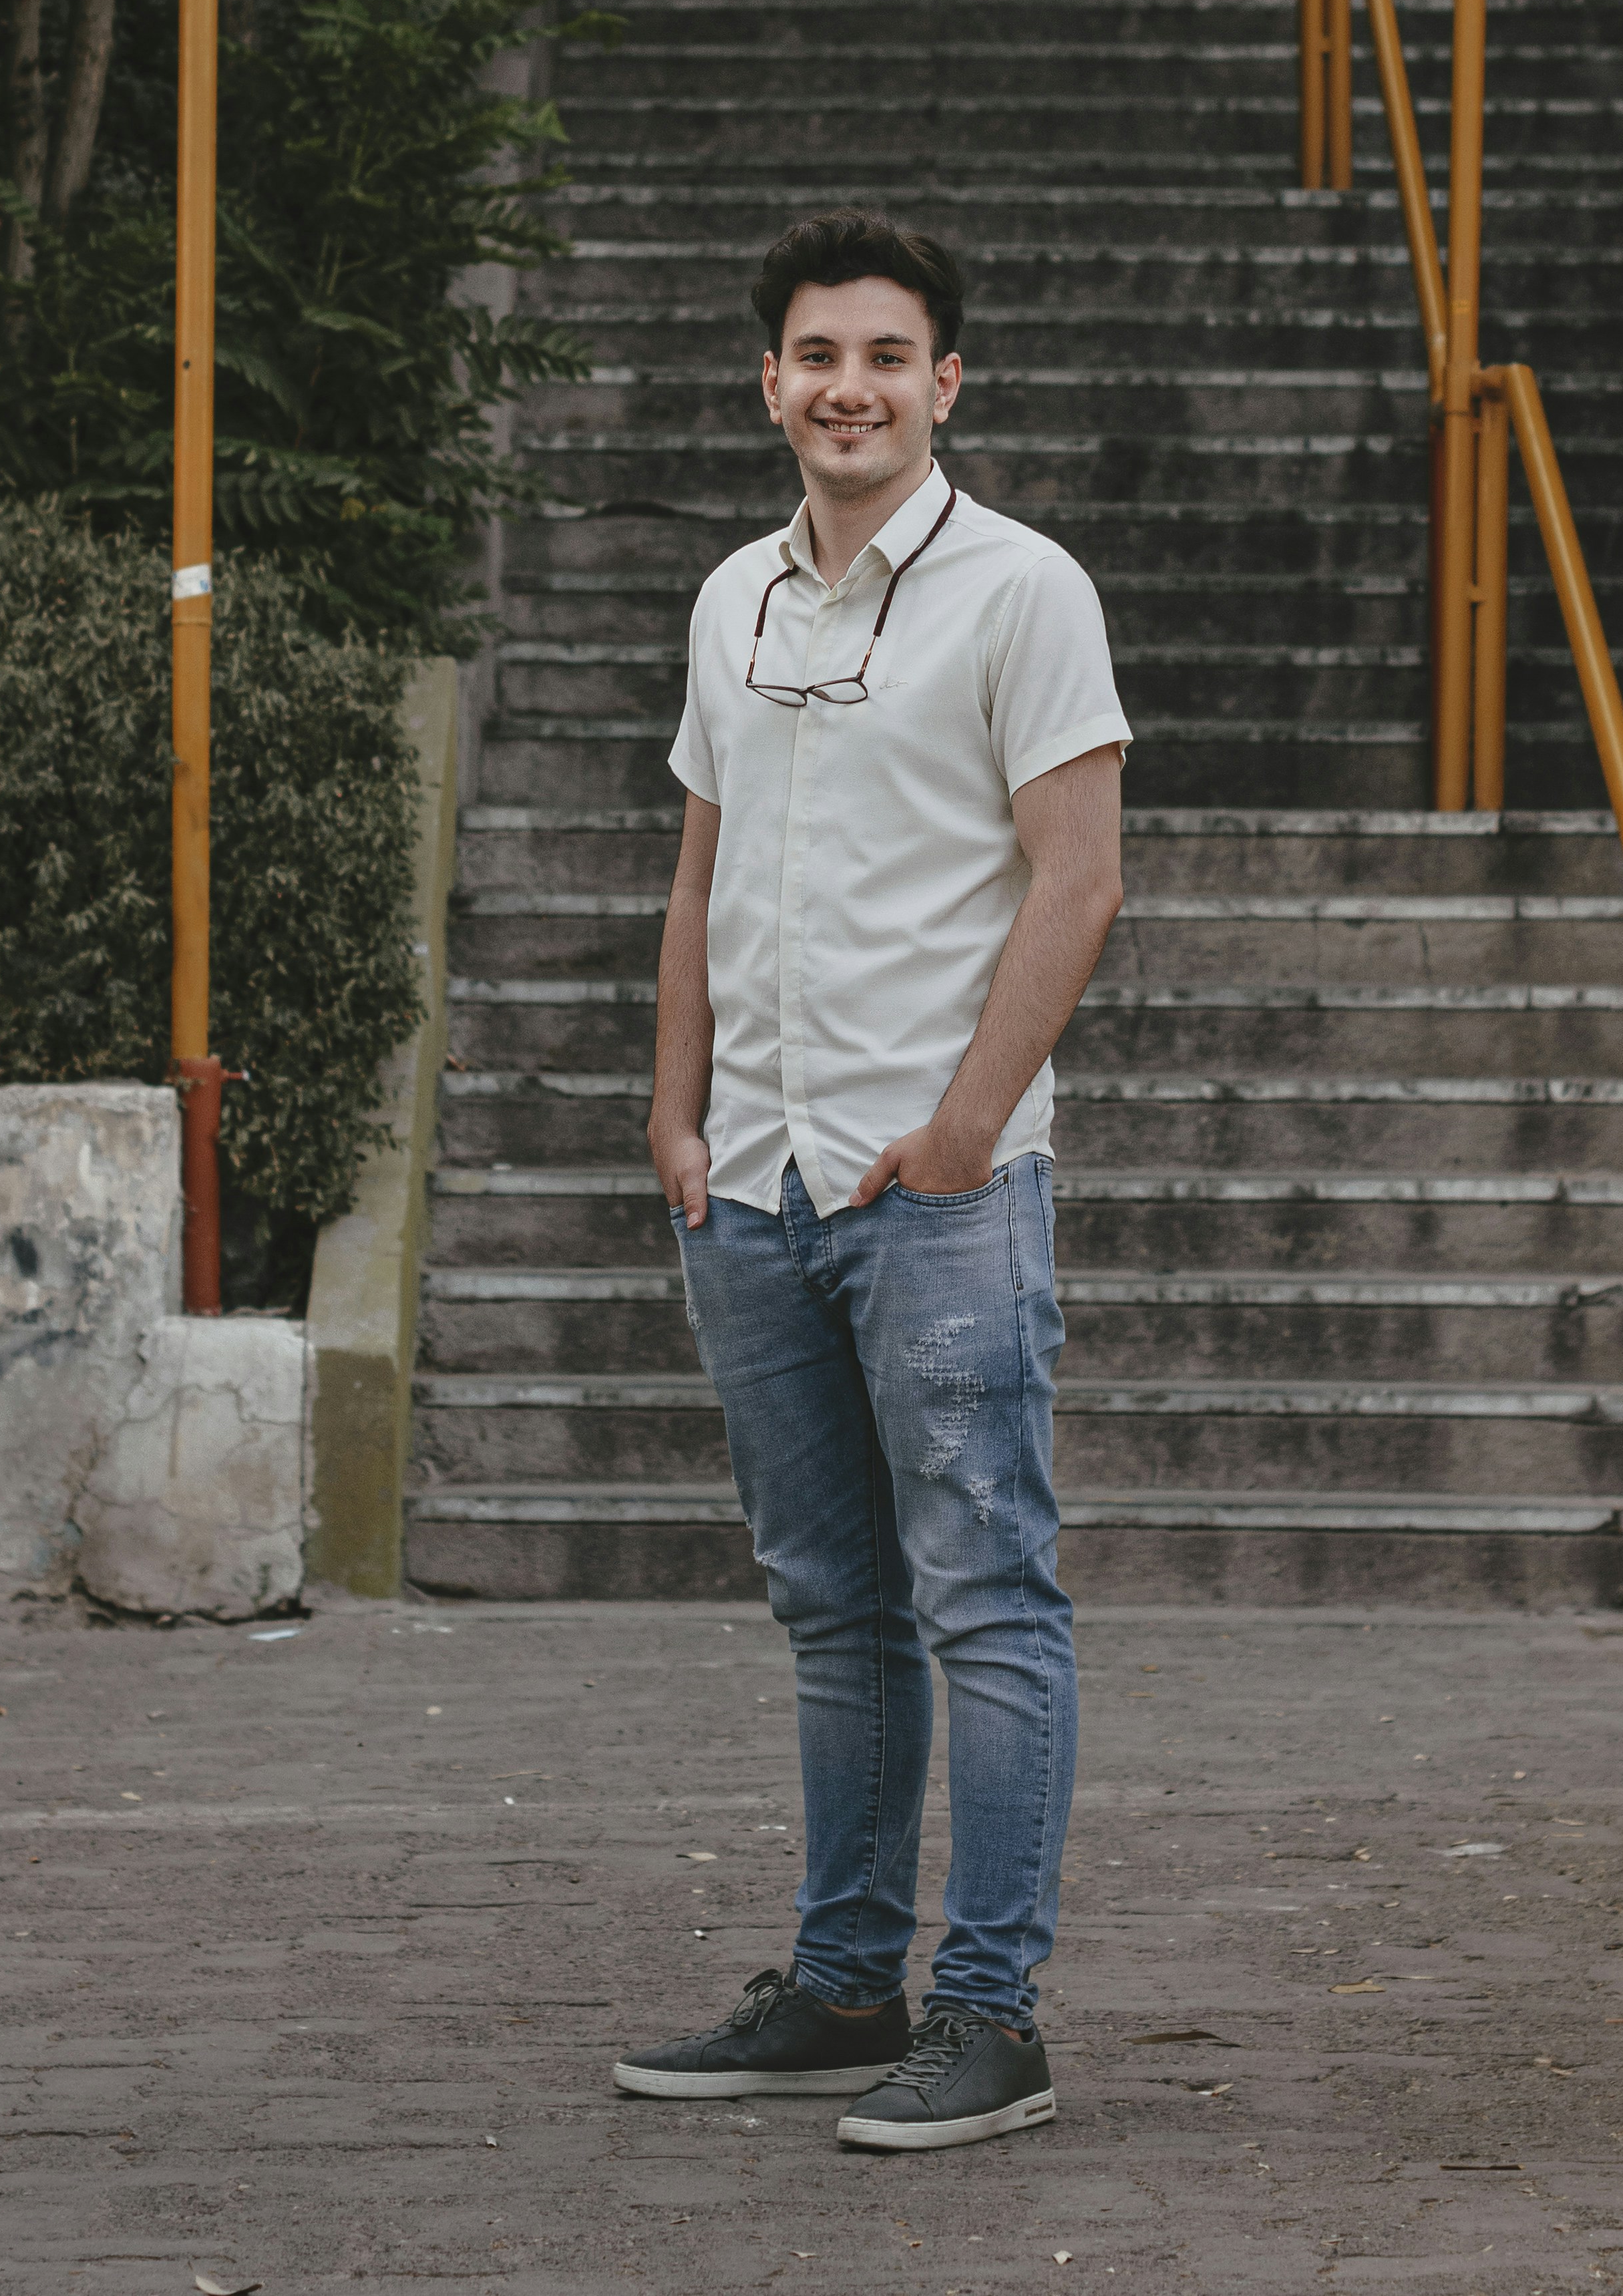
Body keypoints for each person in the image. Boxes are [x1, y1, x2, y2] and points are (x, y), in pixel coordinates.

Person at [612, 206, 1129, 2153]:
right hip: (751, 1183)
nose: (851, 389)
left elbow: (1079, 878)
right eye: (818, 357)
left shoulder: (1023, 590)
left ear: (945, 384)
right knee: (831, 1604)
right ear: (771, 383)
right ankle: (845, 1991)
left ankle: (991, 2017)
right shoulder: (732, 599)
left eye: (888, 358)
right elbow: (701, 874)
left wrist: (970, 1129)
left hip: (939, 1190)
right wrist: (677, 1116)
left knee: (984, 1596)